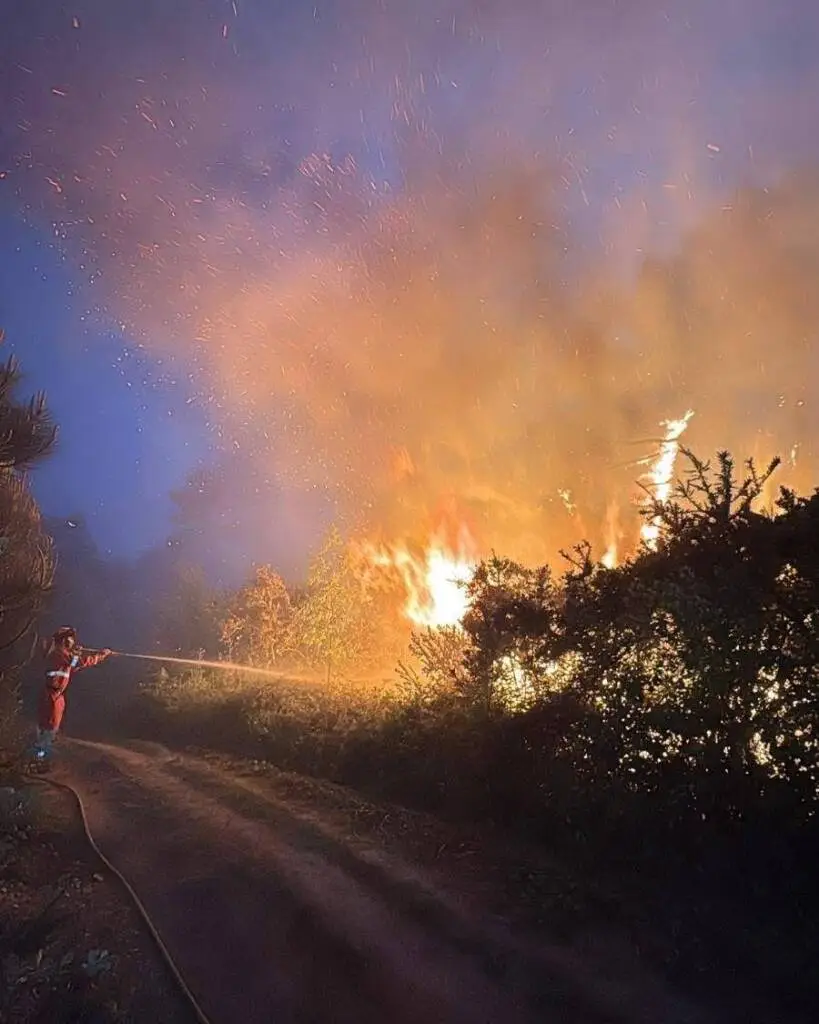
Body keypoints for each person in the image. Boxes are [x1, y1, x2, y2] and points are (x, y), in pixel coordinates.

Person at [33, 626, 113, 760]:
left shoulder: (61, 654)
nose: (73, 641)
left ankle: (41, 755)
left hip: (55, 695)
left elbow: (73, 666)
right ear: (64, 640)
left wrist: (77, 654)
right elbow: (78, 663)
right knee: (49, 727)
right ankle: (40, 757)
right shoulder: (59, 653)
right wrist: (101, 655)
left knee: (49, 726)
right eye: (70, 638)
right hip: (52, 695)